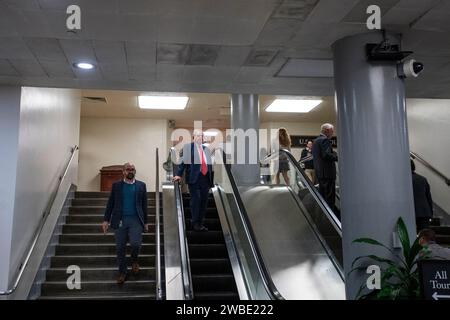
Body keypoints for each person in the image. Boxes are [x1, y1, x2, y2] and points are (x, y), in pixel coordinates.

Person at [102, 163, 149, 284]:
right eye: (128, 169)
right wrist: (106, 220)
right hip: (120, 220)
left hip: (136, 220)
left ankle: (134, 261)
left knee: (135, 244)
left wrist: (146, 222)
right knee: (120, 248)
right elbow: (110, 203)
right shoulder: (116, 186)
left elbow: (144, 205)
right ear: (123, 171)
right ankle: (123, 272)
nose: (130, 171)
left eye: (132, 169)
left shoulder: (141, 186)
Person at [173, 130, 213, 232]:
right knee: (196, 200)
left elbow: (209, 165)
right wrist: (178, 174)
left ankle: (200, 223)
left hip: (205, 180)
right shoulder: (188, 147)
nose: (200, 137)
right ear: (193, 137)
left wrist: (210, 179)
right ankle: (194, 222)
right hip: (194, 179)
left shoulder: (206, 149)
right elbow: (183, 162)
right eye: (198, 135)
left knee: (204, 202)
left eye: (202, 136)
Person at [312, 123, 338, 214]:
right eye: (332, 131)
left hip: (320, 174)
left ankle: (324, 219)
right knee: (330, 199)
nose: (333, 133)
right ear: (327, 131)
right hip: (328, 174)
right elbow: (327, 155)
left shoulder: (316, 141)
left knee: (323, 198)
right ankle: (332, 221)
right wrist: (337, 156)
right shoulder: (324, 140)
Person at [411, 159, 434, 231]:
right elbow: (428, 197)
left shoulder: (403, 179)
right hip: (424, 212)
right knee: (425, 235)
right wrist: (430, 213)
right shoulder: (422, 179)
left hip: (410, 211)